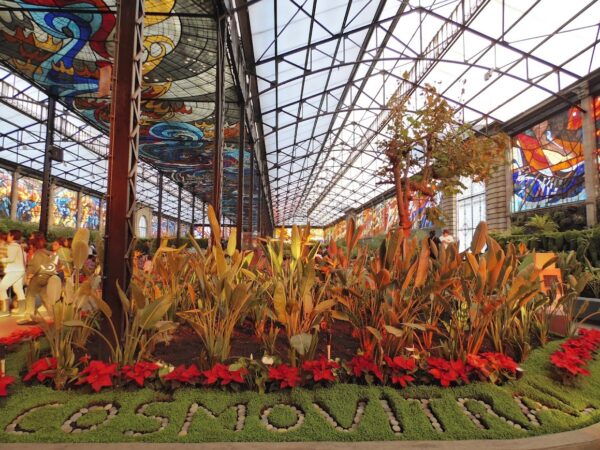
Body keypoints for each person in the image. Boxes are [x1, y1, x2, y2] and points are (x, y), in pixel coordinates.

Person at [23, 234, 57, 320]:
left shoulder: (37, 254)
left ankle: (29, 314)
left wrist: (29, 276)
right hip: (47, 276)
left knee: (30, 294)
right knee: (44, 295)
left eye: (31, 245)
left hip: (38, 276)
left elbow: (34, 267)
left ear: (34, 245)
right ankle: (52, 313)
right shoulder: (49, 253)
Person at [0, 230, 26, 316]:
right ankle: (22, 310)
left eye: (8, 235)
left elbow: (11, 259)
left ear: (12, 236)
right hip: (19, 270)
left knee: (2, 287)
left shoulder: (12, 246)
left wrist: (2, 259)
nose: (7, 237)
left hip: (14, 271)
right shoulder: (18, 246)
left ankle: (5, 310)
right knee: (18, 289)